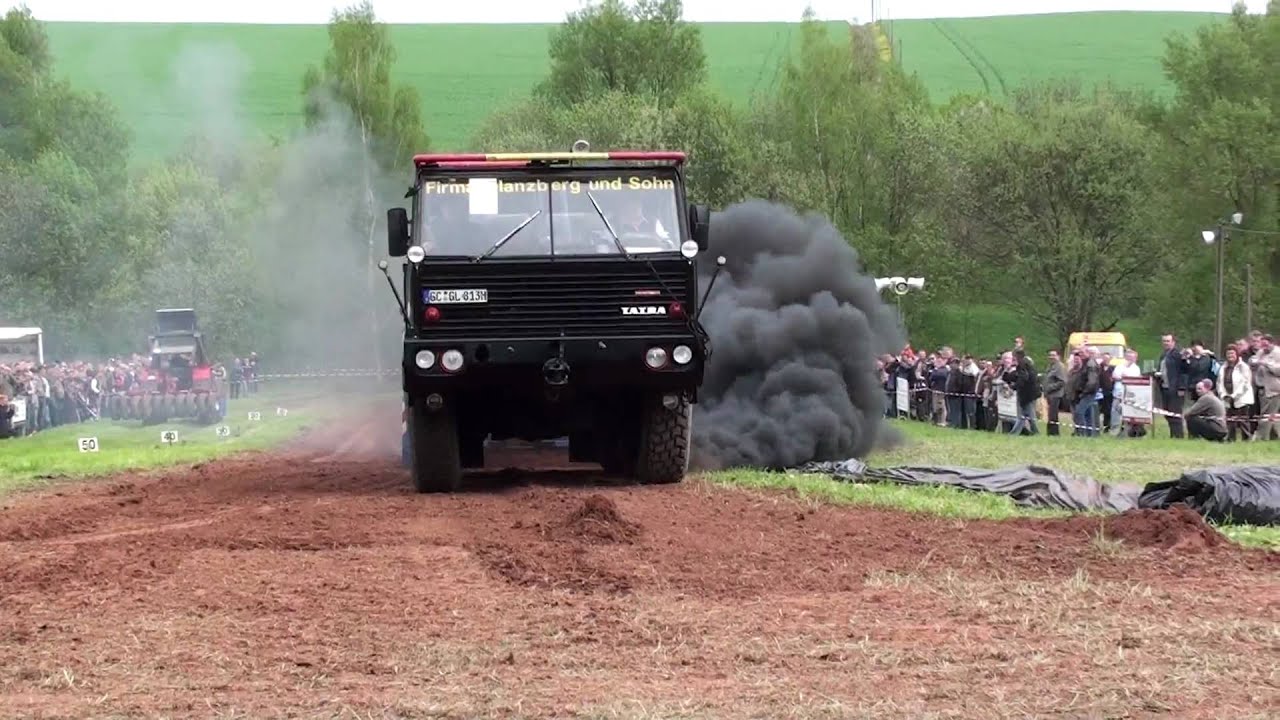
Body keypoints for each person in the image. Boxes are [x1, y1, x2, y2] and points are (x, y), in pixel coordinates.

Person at [1216, 346, 1254, 442]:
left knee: (1243, 421)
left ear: (1237, 354)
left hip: (1242, 399)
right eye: (1228, 354)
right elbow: (1219, 382)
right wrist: (1223, 395)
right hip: (1227, 398)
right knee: (1230, 421)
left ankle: (1246, 440)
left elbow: (1245, 384)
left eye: (1232, 353)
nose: (1230, 356)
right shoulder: (1223, 367)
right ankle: (1230, 439)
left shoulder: (1244, 367)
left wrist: (1234, 396)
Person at [1155, 333, 1187, 438]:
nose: (1166, 343)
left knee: (1175, 413)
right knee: (1167, 412)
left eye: (1168, 341)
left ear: (1173, 342)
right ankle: (1173, 434)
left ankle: (1178, 436)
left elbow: (1183, 371)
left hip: (1175, 389)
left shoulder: (1177, 354)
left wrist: (1181, 388)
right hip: (1164, 387)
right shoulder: (1163, 355)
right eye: (1164, 341)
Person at [1110, 349, 1142, 437]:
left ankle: (1127, 431)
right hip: (1118, 393)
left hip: (1130, 395)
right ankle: (1114, 431)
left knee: (1128, 413)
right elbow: (1115, 376)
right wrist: (1123, 377)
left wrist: (1124, 377)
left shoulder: (1136, 368)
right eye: (1129, 357)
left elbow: (1135, 379)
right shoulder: (1119, 366)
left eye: (1133, 358)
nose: (1131, 359)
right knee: (1115, 413)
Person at [1255, 335, 1280, 441]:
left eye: (1266, 345)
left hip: (1273, 389)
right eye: (1262, 345)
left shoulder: (1278, 353)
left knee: (1266, 415)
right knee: (1271, 415)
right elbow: (1253, 362)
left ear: (1272, 343)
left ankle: (1261, 438)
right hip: (1261, 388)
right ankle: (1275, 437)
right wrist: (1256, 362)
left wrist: (1266, 364)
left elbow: (1278, 371)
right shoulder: (1260, 353)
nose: (1264, 347)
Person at [1042, 349, 1067, 436]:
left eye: (1053, 355)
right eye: (1050, 355)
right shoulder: (1050, 366)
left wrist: (1050, 388)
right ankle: (1050, 433)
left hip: (1056, 394)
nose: (1051, 357)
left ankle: (1054, 433)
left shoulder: (1060, 366)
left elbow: (1062, 381)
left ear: (1058, 356)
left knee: (1053, 415)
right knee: (1050, 414)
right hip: (1049, 394)